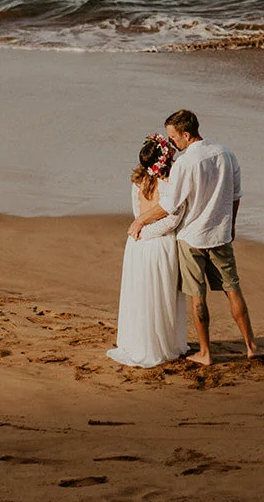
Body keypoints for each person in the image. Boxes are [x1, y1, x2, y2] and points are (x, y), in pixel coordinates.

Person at [129, 109, 259, 365]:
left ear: (186, 134)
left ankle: (205, 353)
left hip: (191, 237)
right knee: (233, 290)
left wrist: (140, 220)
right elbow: (236, 194)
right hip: (220, 234)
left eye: (174, 137)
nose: (172, 144)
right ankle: (251, 346)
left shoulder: (185, 164)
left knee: (197, 297)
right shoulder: (226, 153)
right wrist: (231, 224)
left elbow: (170, 206)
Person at [105, 136, 187, 366]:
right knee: (159, 294)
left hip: (137, 243)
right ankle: (162, 345)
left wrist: (141, 232)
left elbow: (136, 213)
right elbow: (173, 219)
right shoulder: (171, 182)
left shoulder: (137, 181)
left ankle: (138, 342)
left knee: (141, 293)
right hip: (159, 244)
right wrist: (149, 233)